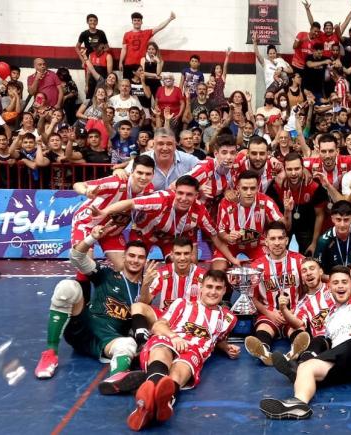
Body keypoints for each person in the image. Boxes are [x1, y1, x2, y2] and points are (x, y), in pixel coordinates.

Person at [259, 266, 351, 419]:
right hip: (344, 359)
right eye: (336, 283)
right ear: (329, 288)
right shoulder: (329, 317)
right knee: (306, 367)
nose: (340, 285)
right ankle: (298, 404)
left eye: (344, 282)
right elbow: (301, 326)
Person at [34, 224, 148, 391]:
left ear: (145, 260)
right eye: (131, 255)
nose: (135, 260)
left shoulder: (145, 289)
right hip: (83, 327)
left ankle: (116, 379)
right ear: (124, 257)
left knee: (128, 344)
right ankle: (50, 353)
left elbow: (143, 317)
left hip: (108, 341)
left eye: (140, 257)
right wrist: (91, 238)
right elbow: (76, 257)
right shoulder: (107, 274)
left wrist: (146, 288)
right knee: (68, 287)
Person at [126, 270, 239, 431]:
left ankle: (148, 404)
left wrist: (227, 348)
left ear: (224, 291)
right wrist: (173, 337)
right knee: (162, 348)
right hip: (170, 339)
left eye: (218, 288)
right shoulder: (182, 303)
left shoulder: (228, 318)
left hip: (195, 350)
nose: (213, 291)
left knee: (182, 367)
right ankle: (162, 400)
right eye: (209, 286)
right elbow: (158, 325)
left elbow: (218, 339)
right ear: (201, 287)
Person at [95, 175, 239, 264]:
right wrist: (104, 212)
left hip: (170, 239)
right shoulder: (161, 199)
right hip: (143, 234)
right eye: (180, 193)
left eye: (189, 195)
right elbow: (130, 203)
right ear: (174, 191)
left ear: (196, 195)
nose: (183, 198)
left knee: (183, 265)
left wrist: (232, 259)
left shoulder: (200, 211)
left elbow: (215, 236)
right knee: (134, 265)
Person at [71, 155, 155, 271]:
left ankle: (111, 287)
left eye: (148, 174)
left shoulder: (150, 190)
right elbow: (78, 184)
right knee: (86, 268)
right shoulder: (117, 182)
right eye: (139, 173)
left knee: (125, 268)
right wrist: (86, 191)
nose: (143, 177)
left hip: (113, 231)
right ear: (132, 172)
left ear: (153, 175)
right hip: (87, 225)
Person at [244, 222, 310, 365]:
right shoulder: (257, 266)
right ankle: (264, 353)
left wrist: (297, 309)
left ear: (287, 240)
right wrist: (269, 313)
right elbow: (252, 297)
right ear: (265, 241)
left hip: (294, 311)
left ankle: (295, 350)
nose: (277, 243)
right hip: (270, 312)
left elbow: (309, 288)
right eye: (272, 239)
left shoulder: (299, 260)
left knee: (298, 330)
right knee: (263, 328)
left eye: (281, 238)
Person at [212, 170, 288, 270]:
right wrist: (228, 237)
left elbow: (284, 226)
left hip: (256, 246)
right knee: (218, 270)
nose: (249, 192)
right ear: (238, 188)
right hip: (231, 246)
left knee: (268, 269)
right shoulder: (226, 202)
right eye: (245, 188)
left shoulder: (265, 201)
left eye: (252, 188)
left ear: (257, 188)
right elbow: (220, 232)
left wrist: (287, 211)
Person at [266, 152, 328, 255]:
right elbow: (270, 214)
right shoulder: (276, 186)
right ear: (284, 170)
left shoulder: (314, 186)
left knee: (308, 256)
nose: (293, 173)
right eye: (289, 169)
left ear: (303, 168)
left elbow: (319, 215)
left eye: (297, 169)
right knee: (277, 254)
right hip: (284, 224)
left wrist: (314, 242)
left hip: (307, 227)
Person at [120, 127, 200, 191]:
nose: (165, 148)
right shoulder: (142, 159)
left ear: (175, 145)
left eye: (169, 144)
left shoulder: (188, 159)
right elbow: (123, 175)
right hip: (149, 207)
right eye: (160, 144)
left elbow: (206, 168)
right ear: (153, 145)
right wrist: (119, 171)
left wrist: (200, 187)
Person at [314, 200, 351, 273]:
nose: (342, 224)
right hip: (334, 281)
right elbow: (318, 272)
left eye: (346, 220)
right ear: (332, 219)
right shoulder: (323, 241)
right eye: (338, 220)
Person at [120, 11, 176, 80]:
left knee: (141, 87)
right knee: (127, 84)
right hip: (128, 64)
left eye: (138, 20)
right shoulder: (127, 34)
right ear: (132, 22)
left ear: (141, 22)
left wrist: (170, 19)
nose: (136, 22)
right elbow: (124, 49)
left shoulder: (146, 33)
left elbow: (159, 27)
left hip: (140, 65)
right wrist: (120, 62)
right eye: (135, 20)